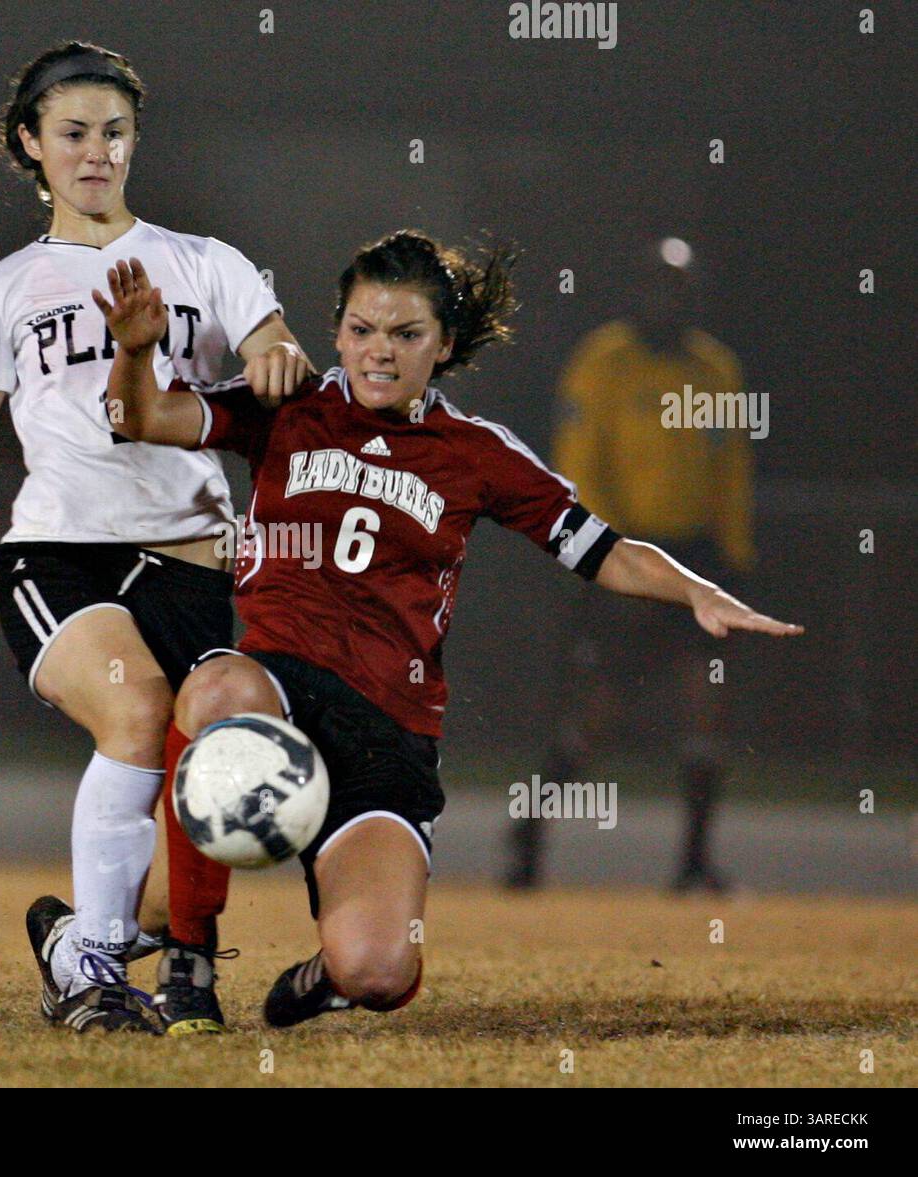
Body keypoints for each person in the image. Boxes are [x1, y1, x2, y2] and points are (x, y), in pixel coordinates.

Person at [94, 231, 803, 1030]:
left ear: (446, 344)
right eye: (362, 329)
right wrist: (134, 352)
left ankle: (325, 967)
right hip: (278, 697)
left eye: (406, 335)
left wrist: (699, 590)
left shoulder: (475, 453)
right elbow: (140, 414)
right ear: (335, 331)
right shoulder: (287, 405)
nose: (379, 353)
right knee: (215, 688)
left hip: (385, 737)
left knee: (380, 970)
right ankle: (187, 963)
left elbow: (603, 549)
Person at [0, 41, 311, 1034]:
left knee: (204, 814)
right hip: (61, 553)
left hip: (196, 559)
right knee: (136, 708)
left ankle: (88, 934)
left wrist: (278, 357)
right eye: (73, 133)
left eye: (115, 133)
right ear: (32, 145)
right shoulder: (4, 289)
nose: (96, 152)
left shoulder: (204, 263)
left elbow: (274, 351)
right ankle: (87, 970)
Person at [504, 239, 755, 892]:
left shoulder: (716, 368)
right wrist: (607, 555)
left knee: (709, 703)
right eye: (657, 285)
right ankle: (529, 836)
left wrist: (735, 555)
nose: (668, 300)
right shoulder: (603, 362)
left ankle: (694, 860)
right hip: (627, 554)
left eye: (680, 288)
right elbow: (580, 463)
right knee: (598, 713)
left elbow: (728, 467)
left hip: (695, 557)